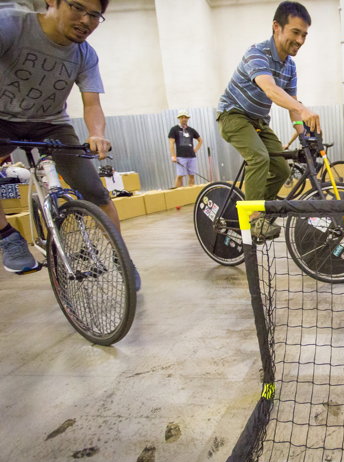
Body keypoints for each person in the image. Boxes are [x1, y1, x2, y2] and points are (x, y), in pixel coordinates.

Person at [0, 0, 141, 290]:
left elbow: (92, 103)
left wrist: (96, 133)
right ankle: (8, 237)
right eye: (77, 7)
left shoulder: (85, 54)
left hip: (51, 123)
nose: (86, 20)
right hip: (2, 117)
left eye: (94, 15)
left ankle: (122, 257)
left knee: (96, 192)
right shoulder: (11, 24)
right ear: (52, 1)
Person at [216, 1, 320, 240]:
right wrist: (303, 109)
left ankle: (260, 209)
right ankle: (253, 219)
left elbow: (292, 108)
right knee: (259, 158)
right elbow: (271, 90)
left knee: (282, 169)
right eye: (295, 32)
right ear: (277, 27)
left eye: (304, 35)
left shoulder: (290, 67)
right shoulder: (257, 54)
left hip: (258, 121)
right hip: (233, 115)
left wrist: (304, 136)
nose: (301, 41)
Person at [168, 110, 202, 188]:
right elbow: (171, 143)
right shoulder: (174, 129)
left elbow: (200, 140)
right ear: (179, 118)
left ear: (188, 119)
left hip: (191, 157)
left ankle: (191, 193)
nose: (184, 119)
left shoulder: (191, 130)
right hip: (180, 156)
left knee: (191, 175)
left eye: (186, 117)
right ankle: (177, 194)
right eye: (182, 117)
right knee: (180, 176)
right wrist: (173, 156)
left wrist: (195, 150)